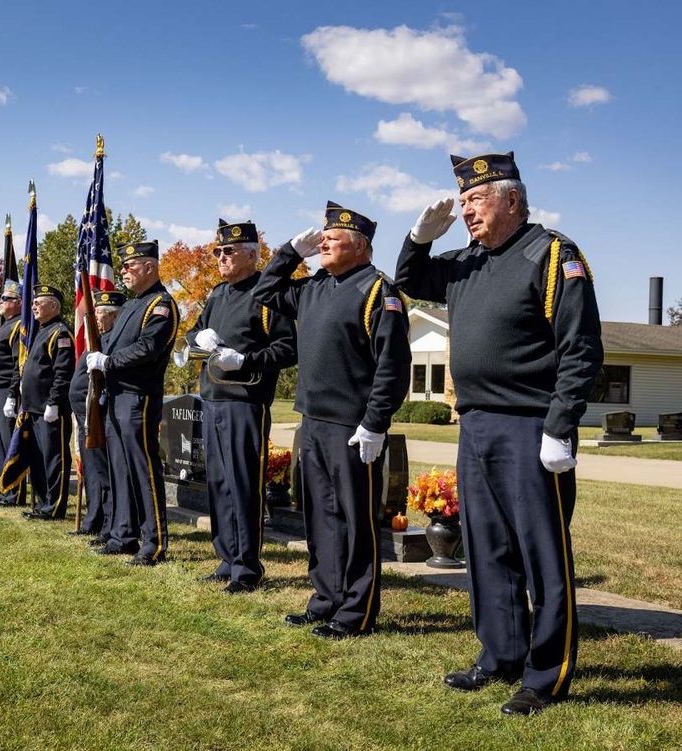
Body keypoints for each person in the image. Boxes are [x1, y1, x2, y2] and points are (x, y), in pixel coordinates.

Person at [395, 152, 603, 715]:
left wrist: (560, 426)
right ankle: (500, 655)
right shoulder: (467, 261)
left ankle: (546, 675)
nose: (466, 210)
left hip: (531, 426)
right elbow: (410, 280)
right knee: (488, 549)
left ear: (512, 199)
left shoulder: (551, 254)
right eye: (462, 201)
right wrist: (418, 239)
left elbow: (581, 348)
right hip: (477, 424)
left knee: (543, 555)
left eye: (476, 199)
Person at [254, 202, 411, 637]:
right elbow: (265, 292)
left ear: (359, 246)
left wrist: (375, 423)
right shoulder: (315, 287)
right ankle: (326, 598)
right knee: (321, 516)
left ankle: (356, 612)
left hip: (353, 428)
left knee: (356, 521)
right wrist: (289, 252)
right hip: (314, 422)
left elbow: (393, 366)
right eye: (321, 238)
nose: (322, 243)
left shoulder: (378, 291)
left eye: (332, 238)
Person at [184, 220, 296, 593]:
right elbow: (194, 332)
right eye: (217, 252)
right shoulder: (216, 295)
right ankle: (226, 557)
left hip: (246, 401)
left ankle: (247, 567)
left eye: (228, 251)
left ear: (251, 254)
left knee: (243, 484)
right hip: (213, 398)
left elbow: (287, 348)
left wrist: (246, 360)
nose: (221, 258)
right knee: (218, 483)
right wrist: (197, 337)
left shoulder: (267, 294)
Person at [86, 241, 179, 566]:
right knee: (120, 469)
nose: (123, 271)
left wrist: (107, 362)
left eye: (129, 266)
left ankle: (154, 542)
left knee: (143, 469)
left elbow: (148, 348)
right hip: (116, 396)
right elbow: (113, 344)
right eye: (123, 266)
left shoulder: (160, 305)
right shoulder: (130, 306)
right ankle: (122, 535)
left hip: (139, 397)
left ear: (149, 267)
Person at [68, 290, 124, 540]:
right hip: (86, 417)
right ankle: (94, 519)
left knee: (104, 472)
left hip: (98, 417)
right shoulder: (99, 340)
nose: (96, 317)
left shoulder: (113, 341)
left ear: (114, 316)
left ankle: (108, 525)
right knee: (92, 472)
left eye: (101, 313)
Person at [21, 284, 74, 520]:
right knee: (38, 457)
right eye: (33, 302)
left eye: (38, 302)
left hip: (50, 409)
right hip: (34, 407)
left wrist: (54, 402)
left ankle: (55, 505)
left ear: (53, 306)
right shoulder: (42, 331)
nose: (33, 306)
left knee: (54, 458)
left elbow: (62, 372)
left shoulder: (60, 333)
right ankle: (44, 503)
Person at [0, 282, 24, 506]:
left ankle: (13, 491)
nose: (0, 302)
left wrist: (11, 394)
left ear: (18, 302)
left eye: (5, 299)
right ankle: (3, 489)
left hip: (7, 390)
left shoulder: (18, 326)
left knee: (9, 442)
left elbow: (18, 363)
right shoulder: (5, 325)